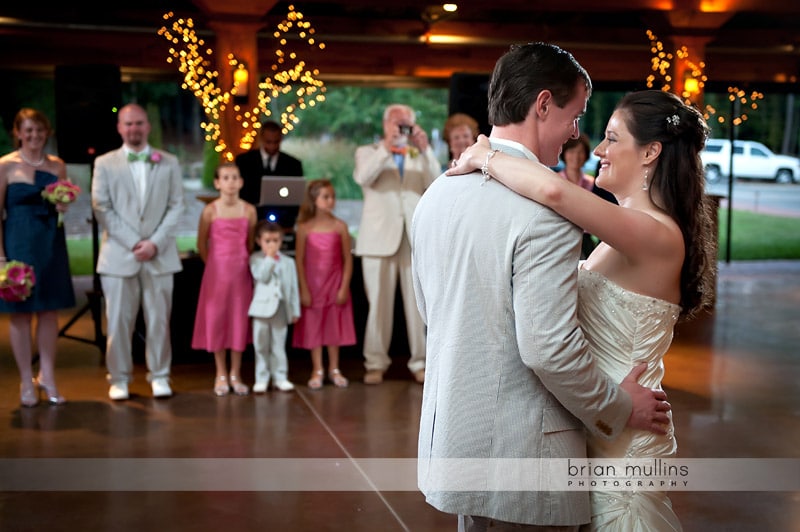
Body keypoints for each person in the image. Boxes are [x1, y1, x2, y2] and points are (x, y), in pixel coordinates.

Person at [411, 43, 673, 531]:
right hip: (528, 454)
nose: (578, 135)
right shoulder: (547, 214)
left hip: (454, 440)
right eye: (574, 117)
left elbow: (432, 309)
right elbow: (548, 348)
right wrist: (618, 406)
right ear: (544, 104)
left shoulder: (437, 192)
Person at [448, 88, 716, 530]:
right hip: (597, 419)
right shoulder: (626, 231)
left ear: (651, 152)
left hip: (624, 435)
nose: (598, 151)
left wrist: (485, 155)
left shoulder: (658, 234)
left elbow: (555, 192)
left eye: (612, 139)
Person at [92, 103, 185, 401]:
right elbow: (101, 207)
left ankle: (160, 375)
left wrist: (154, 242)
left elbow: (176, 206)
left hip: (160, 255)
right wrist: (135, 242)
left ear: (148, 126)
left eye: (139, 123)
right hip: (120, 256)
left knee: (159, 320)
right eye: (128, 124)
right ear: (120, 127)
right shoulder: (105, 163)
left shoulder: (168, 162)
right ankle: (118, 378)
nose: (134, 129)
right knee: (119, 321)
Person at [353, 103, 441, 385]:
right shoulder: (367, 152)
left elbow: (436, 182)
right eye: (397, 122)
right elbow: (363, 178)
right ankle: (375, 363)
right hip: (378, 238)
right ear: (385, 124)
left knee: (418, 305)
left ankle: (421, 362)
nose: (402, 127)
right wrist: (387, 147)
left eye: (407, 123)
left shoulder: (419, 154)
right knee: (377, 305)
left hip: (413, 237)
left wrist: (425, 148)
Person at [0, 108, 75, 407]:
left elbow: (61, 204)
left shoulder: (57, 166)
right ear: (18, 133)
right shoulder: (5, 165)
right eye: (28, 130)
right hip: (17, 242)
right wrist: (1, 257)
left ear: (47, 133)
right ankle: (25, 381)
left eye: (40, 131)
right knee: (20, 314)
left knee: (49, 312)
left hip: (49, 243)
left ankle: (48, 376)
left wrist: (62, 205)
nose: (34, 136)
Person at [191, 162, 257, 396]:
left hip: (240, 274)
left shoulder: (249, 210)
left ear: (241, 182)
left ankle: (236, 373)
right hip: (216, 275)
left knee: (238, 320)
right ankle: (220, 372)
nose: (230, 182)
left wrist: (239, 261)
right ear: (217, 183)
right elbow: (201, 243)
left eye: (234, 177)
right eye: (225, 178)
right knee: (217, 320)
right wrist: (214, 265)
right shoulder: (210, 211)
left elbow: (249, 243)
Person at [292, 179, 356, 390]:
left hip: (334, 282)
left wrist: (344, 286)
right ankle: (317, 368)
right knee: (314, 325)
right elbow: (299, 261)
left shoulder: (340, 227)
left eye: (332, 197)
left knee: (333, 325)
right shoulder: (304, 228)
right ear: (314, 200)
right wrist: (303, 288)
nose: (330, 201)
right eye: (325, 197)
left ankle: (334, 368)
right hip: (313, 284)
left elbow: (348, 259)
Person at [248, 220, 301, 393]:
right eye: (267, 241)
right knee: (261, 345)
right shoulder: (256, 259)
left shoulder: (288, 262)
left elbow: (293, 287)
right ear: (258, 241)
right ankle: (261, 378)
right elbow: (261, 277)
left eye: (276, 240)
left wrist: (294, 310)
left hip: (281, 308)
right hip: (261, 310)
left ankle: (280, 376)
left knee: (279, 345)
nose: (272, 244)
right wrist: (269, 258)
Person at [235, 120, 304, 206]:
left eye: (276, 142)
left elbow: (296, 195)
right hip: (250, 213)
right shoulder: (244, 161)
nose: (272, 146)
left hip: (284, 215)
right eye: (268, 142)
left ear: (281, 139)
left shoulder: (293, 165)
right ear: (261, 139)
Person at [557, 134, 599, 259]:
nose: (576, 156)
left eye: (580, 152)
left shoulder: (593, 185)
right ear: (564, 153)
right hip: (560, 239)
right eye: (571, 151)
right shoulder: (554, 182)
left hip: (585, 241)